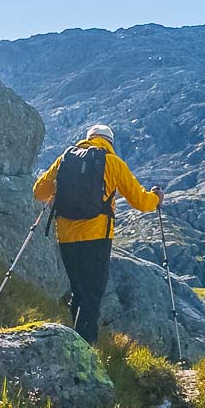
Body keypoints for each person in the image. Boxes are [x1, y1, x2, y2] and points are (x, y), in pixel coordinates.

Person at [32, 123, 162, 343]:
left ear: (88, 138)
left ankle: (75, 339)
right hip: (97, 236)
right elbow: (140, 201)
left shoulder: (66, 158)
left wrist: (62, 190)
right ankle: (86, 347)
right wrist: (156, 198)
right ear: (109, 142)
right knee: (92, 294)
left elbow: (39, 191)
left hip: (66, 236)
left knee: (78, 290)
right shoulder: (113, 162)